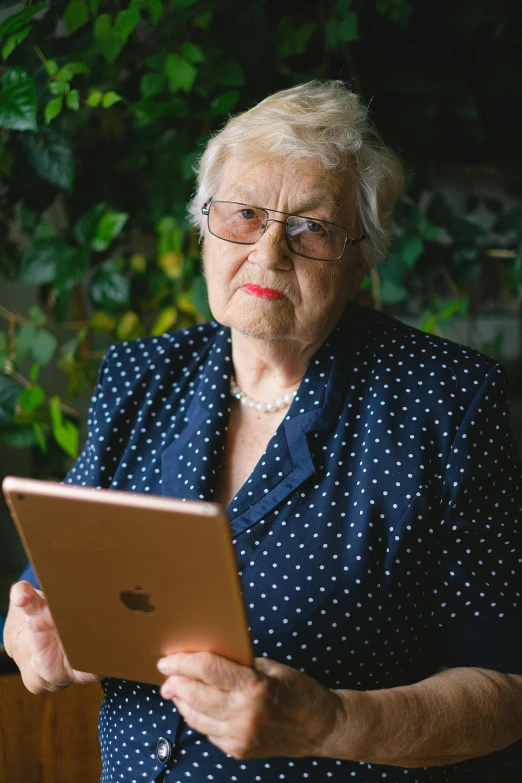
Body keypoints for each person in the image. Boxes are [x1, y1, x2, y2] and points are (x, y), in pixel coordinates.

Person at [4, 81, 522, 782]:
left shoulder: (447, 403)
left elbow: (504, 686)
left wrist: (330, 722)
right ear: (204, 224)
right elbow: (52, 591)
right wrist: (34, 642)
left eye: (312, 227)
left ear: (361, 254)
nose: (270, 252)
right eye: (245, 214)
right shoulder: (137, 375)